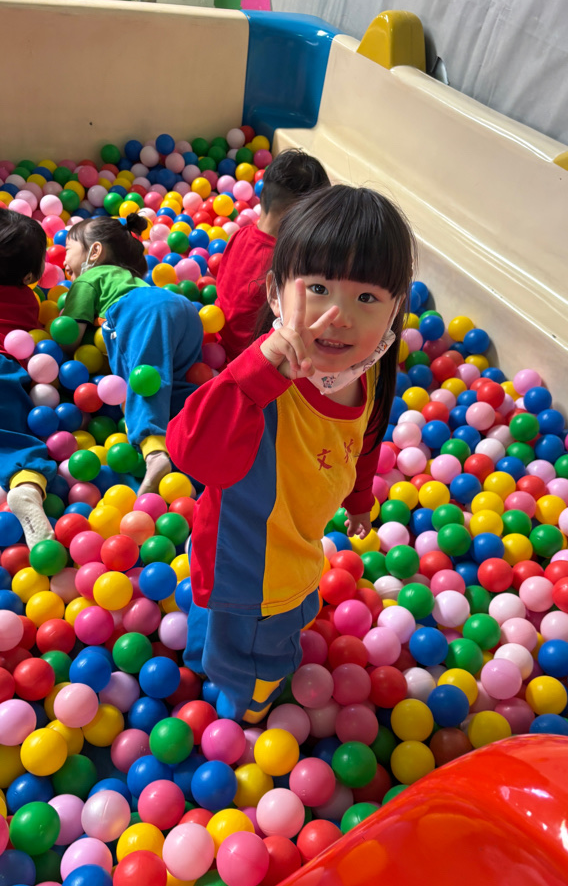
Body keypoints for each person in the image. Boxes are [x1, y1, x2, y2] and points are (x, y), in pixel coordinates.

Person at [167, 184, 414, 723]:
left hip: (298, 548)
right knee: (254, 651)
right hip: (250, 567)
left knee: (236, 621)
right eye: (319, 288)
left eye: (367, 299)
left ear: (396, 310)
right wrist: (258, 372)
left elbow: (364, 444)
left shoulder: (367, 373)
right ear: (277, 293)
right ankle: (247, 709)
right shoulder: (264, 385)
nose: (339, 316)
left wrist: (359, 501)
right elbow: (191, 452)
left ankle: (202, 657)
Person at [63, 213, 204, 495]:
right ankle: (198, 459)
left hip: (138, 310)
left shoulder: (88, 278)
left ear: (94, 251)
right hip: (184, 310)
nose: (63, 261)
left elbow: (70, 335)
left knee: (141, 378)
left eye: (67, 250)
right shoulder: (131, 278)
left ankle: (154, 452)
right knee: (173, 385)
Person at [217, 148, 329, 363]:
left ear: (262, 196)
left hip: (220, 345)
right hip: (255, 360)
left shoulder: (240, 235)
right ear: (302, 216)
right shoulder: (290, 263)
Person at [0, 209, 61, 549]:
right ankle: (25, 486)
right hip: (4, 369)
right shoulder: (28, 301)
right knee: (15, 442)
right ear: (29, 276)